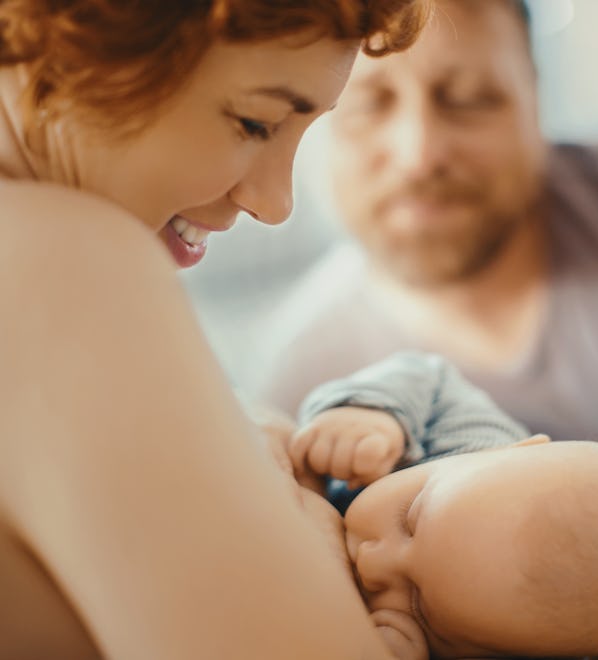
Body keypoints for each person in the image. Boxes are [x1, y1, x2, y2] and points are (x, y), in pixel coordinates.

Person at [249, 0, 598, 626]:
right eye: (367, 104)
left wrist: (567, 547)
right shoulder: (301, 381)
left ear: (535, 96)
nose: (420, 152)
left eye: (469, 99)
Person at [0, 1, 431, 658]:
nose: (277, 204)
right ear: (78, 43)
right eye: (255, 123)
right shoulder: (63, 262)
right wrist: (317, 536)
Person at [286, 350, 598, 659]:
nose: (372, 564)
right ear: (517, 450)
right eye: (409, 519)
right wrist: (370, 414)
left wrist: (391, 639)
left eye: (419, 607)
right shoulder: (471, 439)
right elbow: (426, 373)